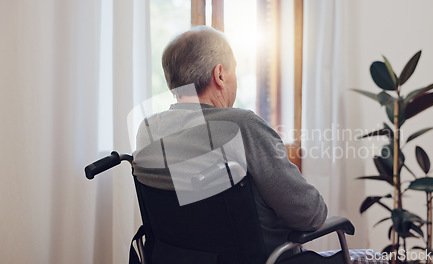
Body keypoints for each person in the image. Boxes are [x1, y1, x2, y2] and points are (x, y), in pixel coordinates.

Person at [133, 25, 327, 256]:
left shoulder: (148, 130)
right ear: (220, 75)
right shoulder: (242, 126)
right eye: (233, 70)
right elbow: (310, 215)